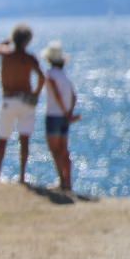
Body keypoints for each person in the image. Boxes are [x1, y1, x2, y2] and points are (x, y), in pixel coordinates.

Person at [0, 24, 46, 183]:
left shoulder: (6, 55)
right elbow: (42, 77)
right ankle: (22, 176)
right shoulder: (29, 58)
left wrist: (9, 39)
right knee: (24, 139)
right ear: (28, 41)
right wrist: (35, 94)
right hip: (25, 100)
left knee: (3, 138)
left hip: (9, 99)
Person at [42, 41, 80, 191]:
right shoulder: (65, 77)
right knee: (64, 150)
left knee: (55, 150)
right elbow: (74, 96)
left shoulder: (50, 75)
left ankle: (62, 181)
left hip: (53, 116)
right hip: (64, 117)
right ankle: (68, 181)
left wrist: (65, 112)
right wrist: (69, 113)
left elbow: (56, 94)